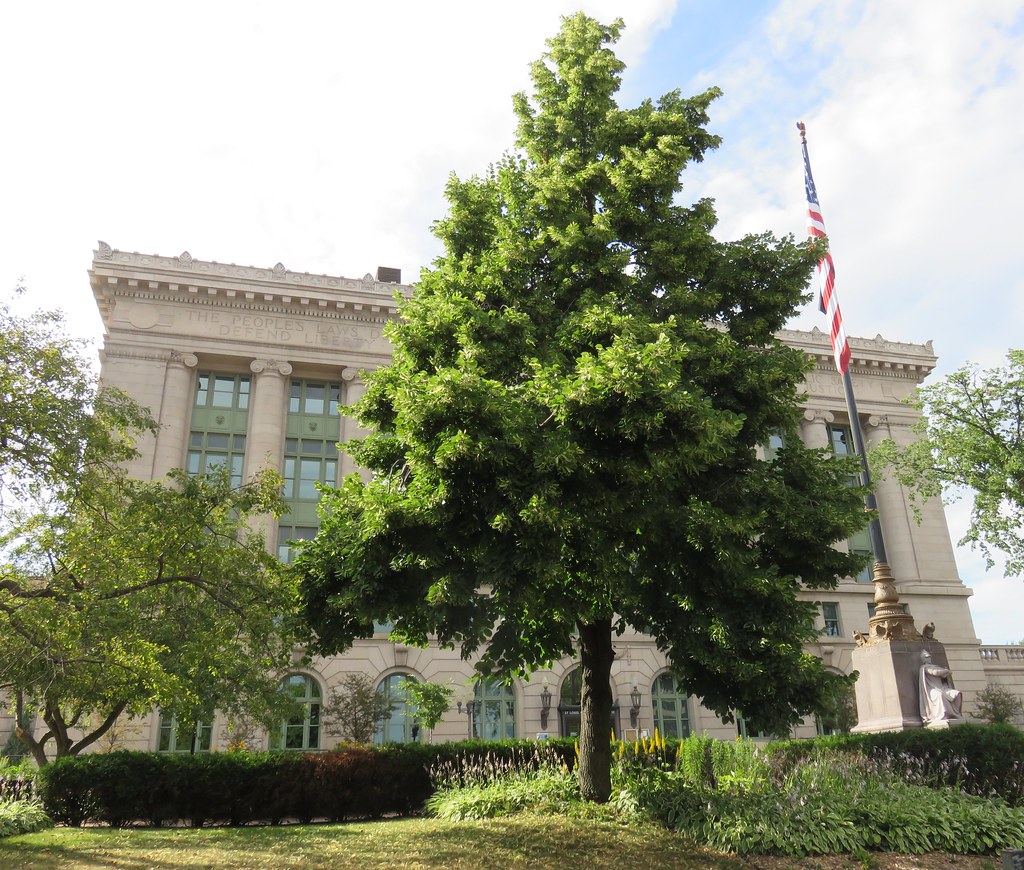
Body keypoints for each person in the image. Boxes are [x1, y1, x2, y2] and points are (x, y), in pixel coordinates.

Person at [919, 650, 963, 724]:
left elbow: (942, 675)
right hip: (932, 689)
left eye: (929, 657)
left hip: (942, 688)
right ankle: (943, 715)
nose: (929, 658)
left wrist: (945, 672)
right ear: (923, 659)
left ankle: (955, 714)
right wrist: (946, 671)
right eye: (927, 657)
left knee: (957, 694)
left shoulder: (936, 667)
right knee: (940, 695)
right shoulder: (925, 668)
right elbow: (935, 672)